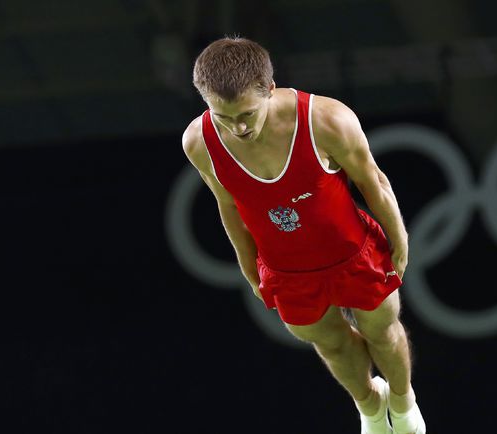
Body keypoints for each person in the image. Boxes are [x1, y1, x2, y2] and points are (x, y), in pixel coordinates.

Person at [181, 36, 426, 434]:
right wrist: (248, 266)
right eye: (224, 117)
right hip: (286, 271)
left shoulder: (326, 120)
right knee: (330, 344)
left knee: (381, 330)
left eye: (247, 114)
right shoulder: (199, 143)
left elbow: (373, 182)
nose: (238, 128)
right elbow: (229, 206)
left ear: (270, 88)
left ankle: (402, 402)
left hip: (354, 253)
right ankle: (369, 407)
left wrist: (400, 240)